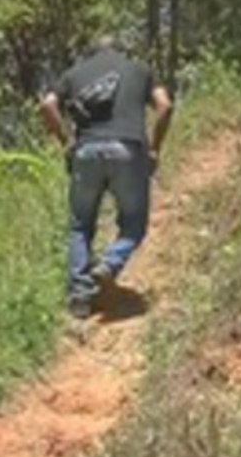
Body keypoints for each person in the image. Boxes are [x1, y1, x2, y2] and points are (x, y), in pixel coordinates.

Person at [39, 35, 175, 319]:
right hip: (128, 150)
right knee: (134, 223)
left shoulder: (74, 73)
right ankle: (110, 263)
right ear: (120, 51)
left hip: (86, 152)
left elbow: (48, 106)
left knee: (79, 225)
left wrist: (66, 142)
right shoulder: (139, 69)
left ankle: (80, 298)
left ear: (91, 54)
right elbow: (165, 106)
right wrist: (154, 148)